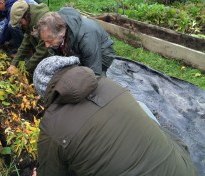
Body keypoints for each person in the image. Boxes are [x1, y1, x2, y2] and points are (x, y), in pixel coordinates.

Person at [32, 56, 198, 176]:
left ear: (45, 91)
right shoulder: (108, 83)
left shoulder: (52, 126)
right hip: (184, 168)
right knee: (141, 107)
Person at [36, 7, 116, 76]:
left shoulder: (86, 37)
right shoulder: (57, 30)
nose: (46, 45)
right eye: (45, 41)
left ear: (62, 34)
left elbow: (94, 71)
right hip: (77, 48)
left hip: (102, 54)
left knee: (90, 78)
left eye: (49, 41)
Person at [7, 0, 51, 77]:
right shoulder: (30, 22)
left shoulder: (44, 23)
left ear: (25, 16)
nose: (20, 25)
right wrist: (14, 64)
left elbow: (42, 52)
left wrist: (23, 71)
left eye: (20, 22)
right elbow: (25, 44)